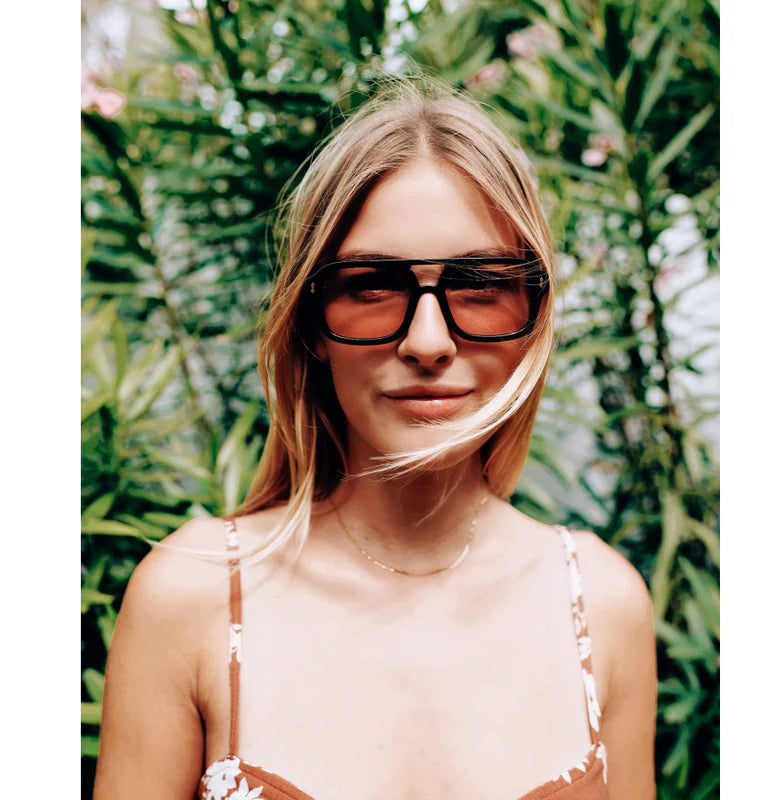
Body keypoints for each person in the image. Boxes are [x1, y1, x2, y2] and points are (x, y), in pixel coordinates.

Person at [94, 77, 656, 800]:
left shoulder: (603, 605)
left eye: (479, 286)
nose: (428, 341)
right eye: (371, 287)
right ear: (310, 321)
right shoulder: (191, 597)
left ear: (533, 317)